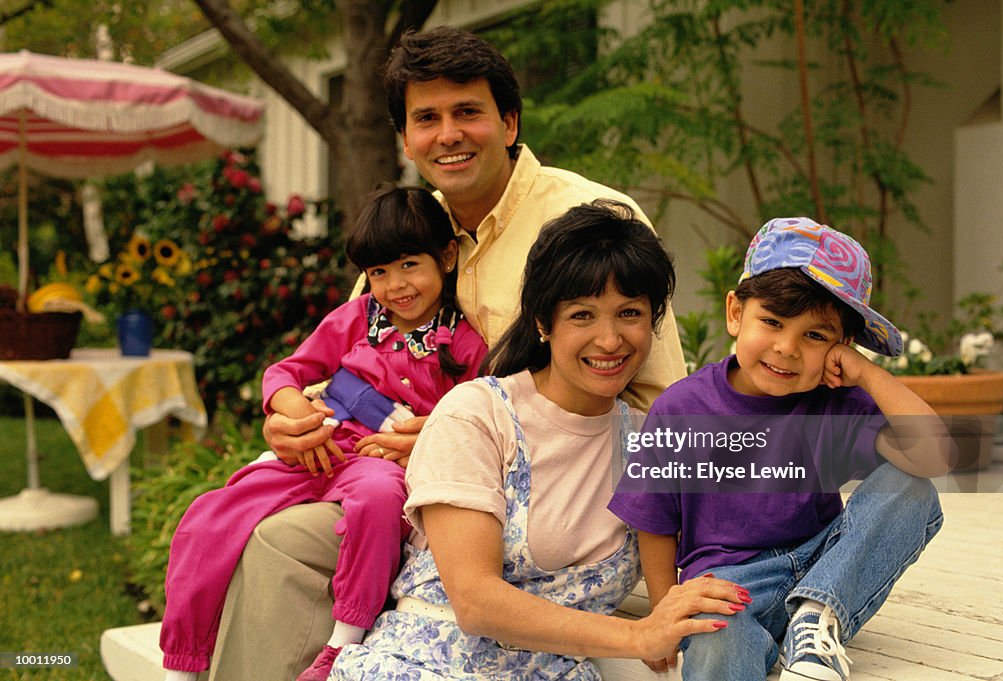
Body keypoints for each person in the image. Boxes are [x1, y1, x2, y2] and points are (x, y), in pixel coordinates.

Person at [207, 27, 687, 679]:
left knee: (288, 543)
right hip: (399, 483)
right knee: (268, 535)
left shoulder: (590, 221)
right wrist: (294, 414)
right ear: (406, 139)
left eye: (468, 112)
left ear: (509, 121)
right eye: (426, 119)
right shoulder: (409, 230)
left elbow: (654, 403)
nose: (448, 134)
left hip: (538, 497)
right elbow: (353, 356)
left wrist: (464, 433)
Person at [327, 200, 746, 679]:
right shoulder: (479, 415)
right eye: (582, 316)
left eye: (629, 313)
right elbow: (475, 602)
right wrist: (638, 635)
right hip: (426, 666)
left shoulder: (649, 444)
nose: (610, 340)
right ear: (543, 323)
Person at [159, 185, 487, 681]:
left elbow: (476, 421)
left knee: (379, 498)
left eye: (408, 266)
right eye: (378, 272)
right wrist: (298, 414)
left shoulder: (463, 343)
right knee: (208, 516)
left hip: (383, 461)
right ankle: (182, 664)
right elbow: (285, 373)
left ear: (445, 256)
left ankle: (342, 641)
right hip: (322, 447)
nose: (396, 285)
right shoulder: (357, 319)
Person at [608, 217, 949, 681]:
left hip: (823, 565)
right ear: (735, 313)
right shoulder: (682, 407)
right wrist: (664, 613)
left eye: (815, 335)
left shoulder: (836, 403)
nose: (787, 348)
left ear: (840, 346)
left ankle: (815, 617)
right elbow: (654, 521)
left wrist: (867, 373)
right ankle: (782, 636)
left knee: (911, 486)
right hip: (726, 586)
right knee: (716, 642)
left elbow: (935, 458)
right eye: (771, 322)